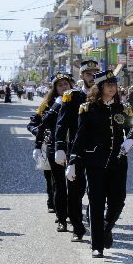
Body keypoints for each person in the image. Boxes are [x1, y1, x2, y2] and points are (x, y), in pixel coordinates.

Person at [66, 69, 133, 258]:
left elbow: (132, 130)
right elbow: (79, 137)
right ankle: (97, 246)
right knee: (96, 203)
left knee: (118, 201)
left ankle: (105, 229)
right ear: (100, 87)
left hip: (118, 162)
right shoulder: (88, 109)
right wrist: (72, 161)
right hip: (95, 162)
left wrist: (131, 140)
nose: (113, 89)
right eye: (109, 85)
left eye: (115, 85)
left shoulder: (123, 108)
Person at [54, 60, 100, 242]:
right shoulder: (71, 96)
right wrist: (60, 148)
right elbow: (61, 124)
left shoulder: (103, 93)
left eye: (95, 72)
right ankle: (78, 228)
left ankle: (95, 223)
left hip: (98, 151)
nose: (92, 76)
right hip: (76, 150)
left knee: (97, 191)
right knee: (75, 191)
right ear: (81, 76)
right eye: (89, 73)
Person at [31, 73, 75, 232]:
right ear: (55, 88)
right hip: (53, 146)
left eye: (66, 84)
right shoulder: (49, 103)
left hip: (74, 146)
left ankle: (73, 214)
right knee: (58, 184)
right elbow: (38, 123)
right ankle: (61, 218)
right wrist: (38, 142)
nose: (64, 87)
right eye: (60, 85)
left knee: (75, 185)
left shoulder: (77, 99)